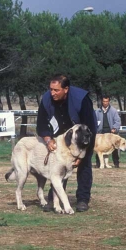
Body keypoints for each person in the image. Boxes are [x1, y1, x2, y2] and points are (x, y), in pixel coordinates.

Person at [37, 74, 97, 212]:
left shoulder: (81, 99)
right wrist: (48, 139)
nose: (52, 93)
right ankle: (53, 200)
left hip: (81, 134)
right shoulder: (46, 99)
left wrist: (82, 155)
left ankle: (82, 199)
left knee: (84, 166)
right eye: (51, 89)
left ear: (66, 89)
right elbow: (41, 124)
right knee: (57, 166)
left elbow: (90, 128)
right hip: (61, 135)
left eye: (56, 90)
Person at [94, 96, 121, 168]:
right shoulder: (97, 111)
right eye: (104, 101)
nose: (105, 103)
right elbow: (94, 121)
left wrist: (114, 128)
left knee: (114, 147)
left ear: (109, 102)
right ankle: (98, 163)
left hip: (111, 131)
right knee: (99, 148)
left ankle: (116, 163)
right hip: (101, 132)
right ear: (102, 102)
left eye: (107, 101)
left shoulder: (113, 111)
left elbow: (117, 121)